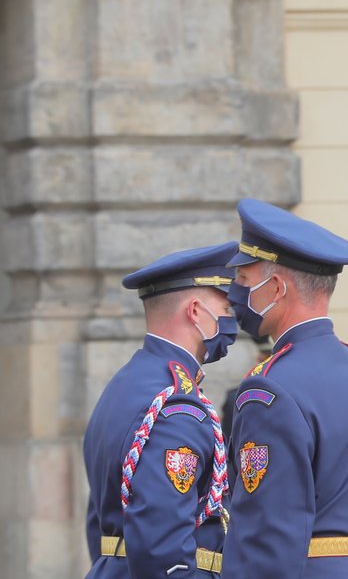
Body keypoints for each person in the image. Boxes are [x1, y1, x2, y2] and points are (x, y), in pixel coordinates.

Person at [220, 198, 348, 578]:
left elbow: (267, 534)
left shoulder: (269, 390)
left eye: (244, 281)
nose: (235, 294)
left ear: (277, 287)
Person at [83, 241, 239, 577]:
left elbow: (99, 521)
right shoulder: (176, 407)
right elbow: (161, 546)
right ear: (195, 312)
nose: (231, 322)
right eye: (226, 311)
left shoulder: (128, 384)